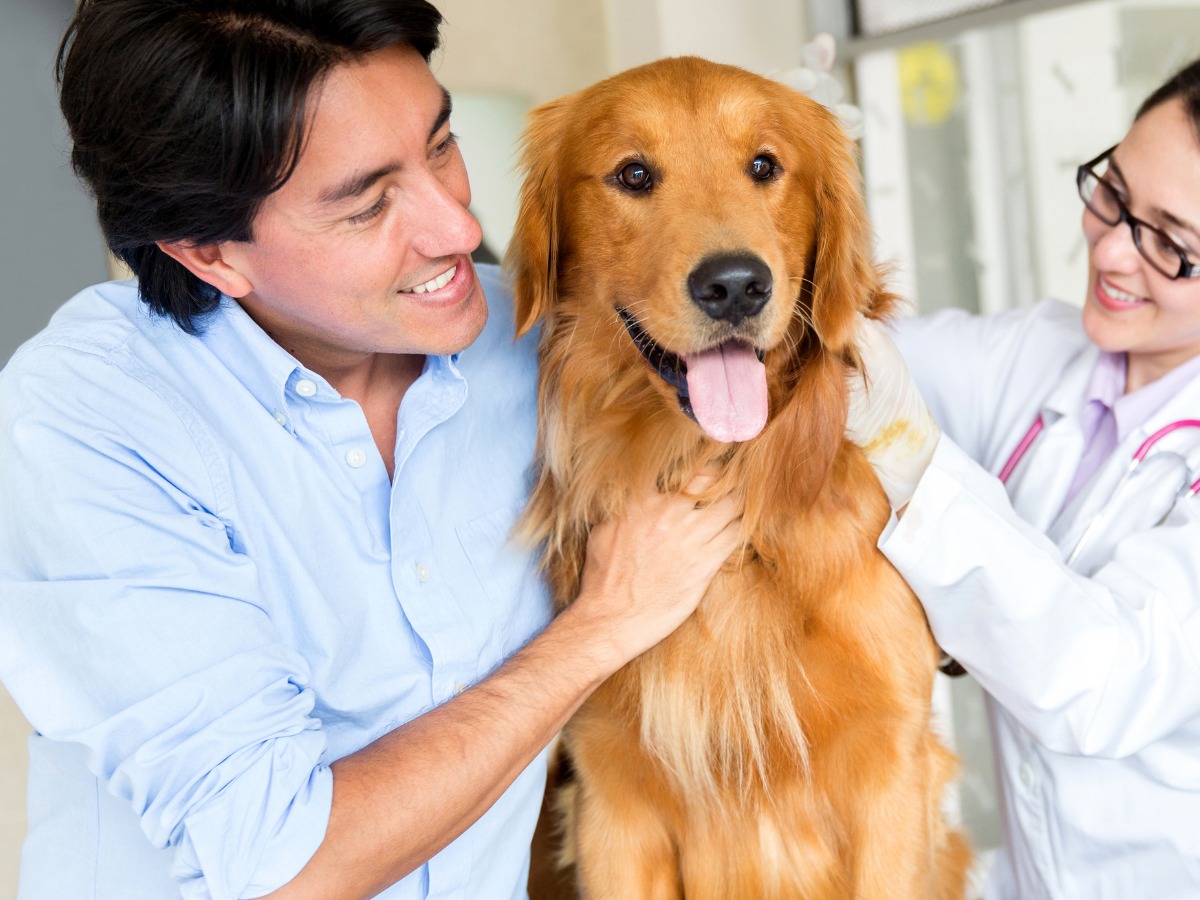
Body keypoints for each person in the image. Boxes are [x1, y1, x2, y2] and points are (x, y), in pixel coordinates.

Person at [0, 2, 744, 898]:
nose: (458, 228)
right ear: (209, 253)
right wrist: (601, 626)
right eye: (368, 204)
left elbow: (848, 387)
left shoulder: (543, 341)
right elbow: (285, 864)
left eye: (440, 146)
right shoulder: (90, 415)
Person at [848, 57, 1200, 900]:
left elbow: (1096, 681)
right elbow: (855, 352)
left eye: (1172, 244)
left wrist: (906, 451)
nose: (1112, 250)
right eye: (1111, 193)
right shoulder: (1041, 356)